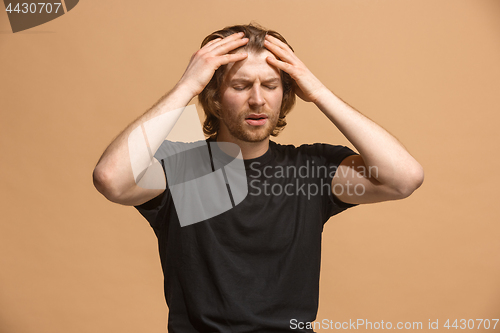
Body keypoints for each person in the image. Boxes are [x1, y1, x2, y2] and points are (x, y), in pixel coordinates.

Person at [93, 23, 424, 332]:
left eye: (270, 85)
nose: (257, 99)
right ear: (215, 99)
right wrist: (187, 86)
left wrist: (319, 91)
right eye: (240, 85)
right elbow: (111, 178)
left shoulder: (311, 169)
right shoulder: (177, 167)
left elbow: (403, 178)